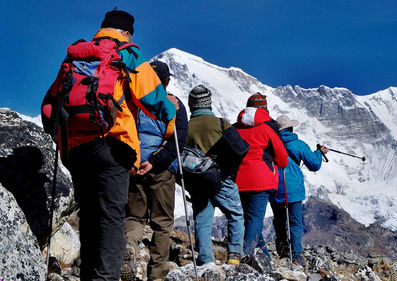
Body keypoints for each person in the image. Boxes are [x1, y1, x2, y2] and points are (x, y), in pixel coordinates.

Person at [42, 9, 178, 281]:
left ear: (102, 28)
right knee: (112, 219)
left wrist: (63, 141)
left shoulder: (77, 55)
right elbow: (154, 99)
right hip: (113, 147)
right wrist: (171, 115)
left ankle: (89, 276)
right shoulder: (128, 53)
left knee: (90, 218)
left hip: (76, 149)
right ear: (127, 32)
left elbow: (48, 108)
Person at [123, 61, 188, 281]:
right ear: (167, 80)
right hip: (161, 170)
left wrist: (134, 160)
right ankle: (157, 274)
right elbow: (178, 141)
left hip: (134, 165)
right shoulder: (174, 104)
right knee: (162, 223)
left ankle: (129, 246)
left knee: (133, 215)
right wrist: (157, 161)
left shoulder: (133, 99)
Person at [186, 85, 245, 266]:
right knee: (235, 214)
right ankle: (234, 255)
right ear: (209, 103)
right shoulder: (221, 124)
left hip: (197, 180)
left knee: (202, 219)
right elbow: (240, 149)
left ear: (191, 105)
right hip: (222, 178)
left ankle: (206, 260)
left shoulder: (185, 128)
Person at [234, 93, 289, 257]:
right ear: (264, 109)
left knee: (249, 218)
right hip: (262, 180)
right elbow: (283, 159)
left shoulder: (235, 128)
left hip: (239, 179)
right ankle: (247, 256)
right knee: (255, 219)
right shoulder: (267, 128)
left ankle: (265, 256)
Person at [269, 114, 328, 265]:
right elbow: (314, 165)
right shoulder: (298, 144)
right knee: (295, 223)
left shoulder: (270, 143)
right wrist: (319, 153)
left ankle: (282, 254)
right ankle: (296, 257)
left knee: (279, 222)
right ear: (291, 128)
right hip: (294, 189)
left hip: (275, 186)